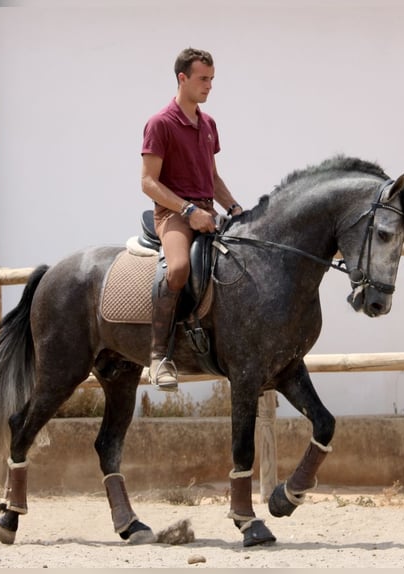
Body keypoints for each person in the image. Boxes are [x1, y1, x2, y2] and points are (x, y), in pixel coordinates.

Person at [141, 47, 243, 390]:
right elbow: (148, 182)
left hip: (208, 212)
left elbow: (212, 178)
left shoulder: (209, 124)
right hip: (173, 215)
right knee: (180, 268)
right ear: (182, 78)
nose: (209, 86)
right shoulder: (160, 123)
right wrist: (187, 211)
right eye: (203, 79)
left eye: (212, 80)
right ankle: (158, 357)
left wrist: (234, 208)